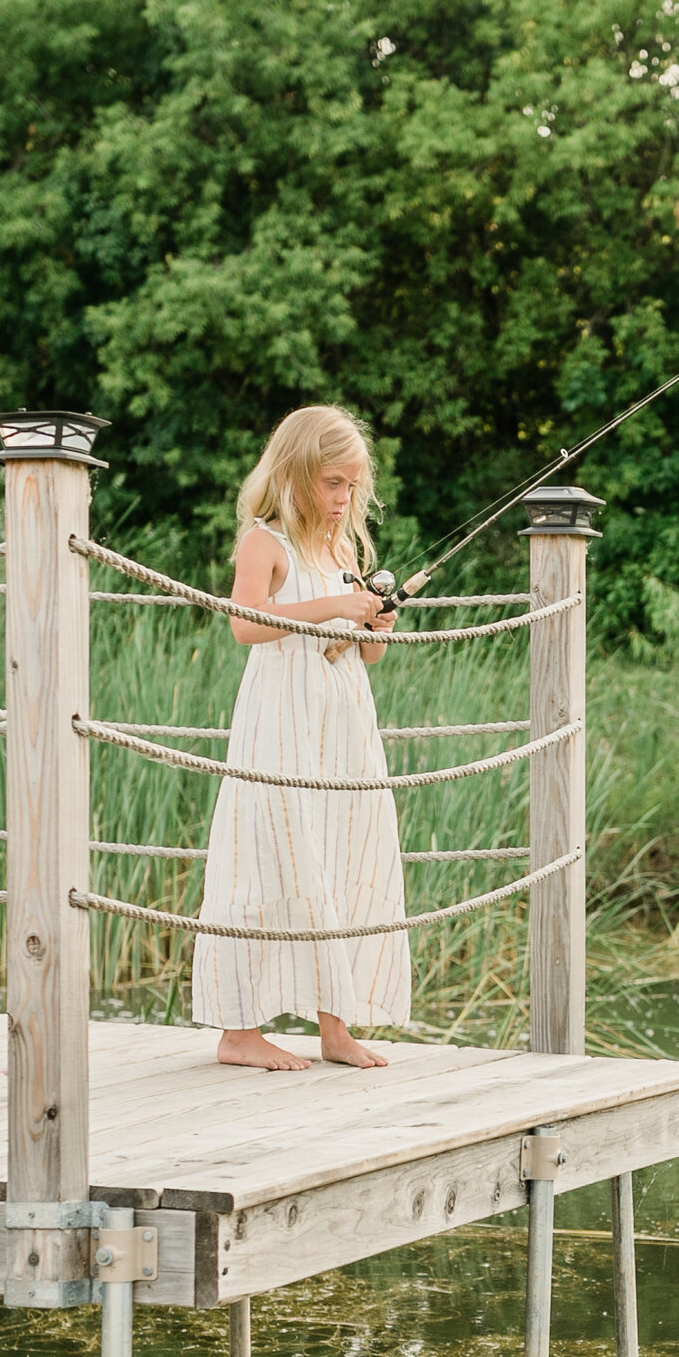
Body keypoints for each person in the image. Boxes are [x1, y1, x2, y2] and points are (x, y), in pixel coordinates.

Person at [193, 403, 408, 1070]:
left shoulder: (341, 550)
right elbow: (245, 622)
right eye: (331, 483)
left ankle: (335, 1027)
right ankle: (239, 1031)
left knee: (342, 852)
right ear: (294, 473)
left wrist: (376, 627)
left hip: (342, 723)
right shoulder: (267, 541)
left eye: (352, 485)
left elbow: (366, 657)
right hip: (282, 722)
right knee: (268, 855)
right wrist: (337, 606)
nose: (344, 498)